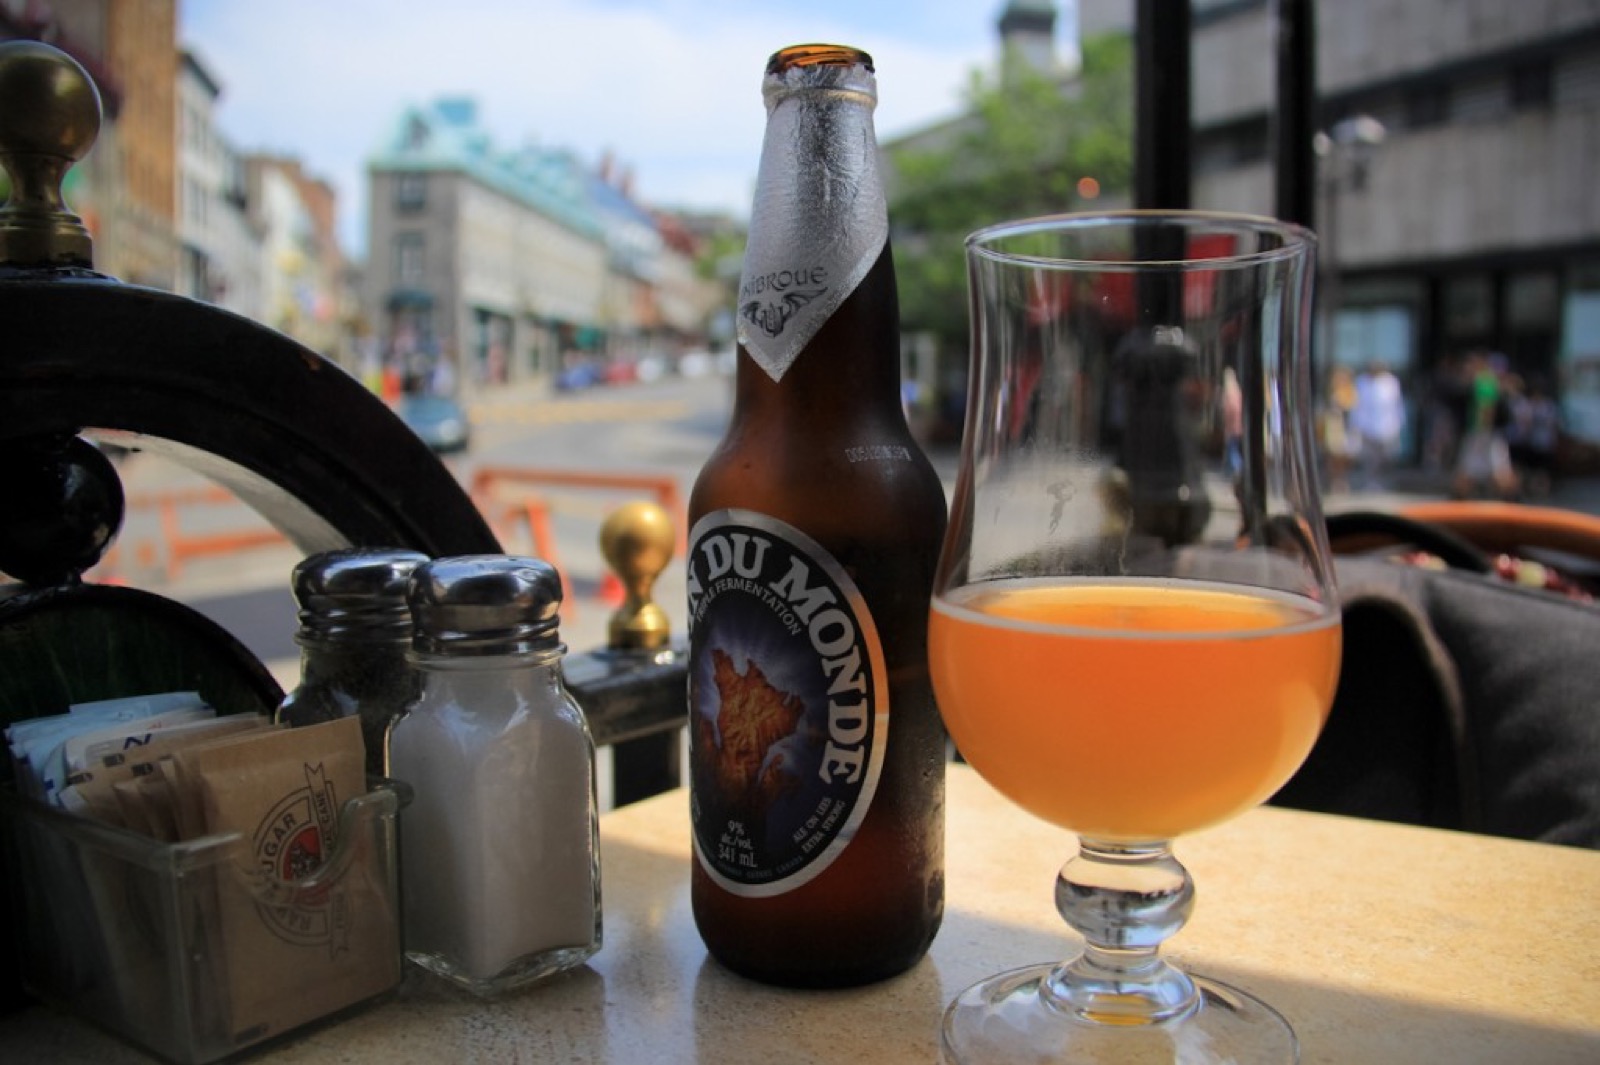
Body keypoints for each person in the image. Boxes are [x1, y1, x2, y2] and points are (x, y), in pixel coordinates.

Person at [1452, 352, 1517, 499]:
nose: (1465, 370)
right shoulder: (1486, 381)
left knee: (1496, 471)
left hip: (1482, 433)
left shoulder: (1484, 382)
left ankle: (1512, 501)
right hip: (1484, 433)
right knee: (1491, 470)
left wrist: (1481, 433)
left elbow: (1486, 408)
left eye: (1468, 366)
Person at [1349, 361, 1406, 490]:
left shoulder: (1391, 382)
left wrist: (1398, 423)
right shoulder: (1362, 382)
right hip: (1366, 427)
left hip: (1387, 426)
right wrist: (1355, 426)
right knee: (1369, 459)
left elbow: (1396, 405)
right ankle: (1369, 483)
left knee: (1386, 457)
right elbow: (1357, 406)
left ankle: (1385, 482)